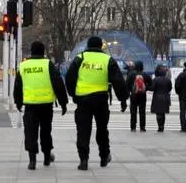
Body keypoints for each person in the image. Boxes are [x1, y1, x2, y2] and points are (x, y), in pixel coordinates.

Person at [65, 36, 128, 171]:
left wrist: (73, 95)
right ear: (101, 46)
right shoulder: (107, 60)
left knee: (83, 130)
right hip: (101, 100)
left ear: (88, 45)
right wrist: (123, 99)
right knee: (102, 129)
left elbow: (69, 77)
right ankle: (104, 156)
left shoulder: (80, 58)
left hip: (83, 100)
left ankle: (83, 159)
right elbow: (118, 80)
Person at [13, 41, 68, 170]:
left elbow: (18, 86)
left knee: (30, 132)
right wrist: (63, 102)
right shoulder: (47, 64)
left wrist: (18, 102)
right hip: (46, 105)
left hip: (30, 105)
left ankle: (32, 161)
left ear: (31, 51)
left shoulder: (23, 66)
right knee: (45, 132)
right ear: (43, 51)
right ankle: (47, 157)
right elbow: (58, 83)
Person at [126, 61, 152, 132]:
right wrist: (145, 88)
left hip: (134, 95)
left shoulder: (131, 74)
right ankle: (142, 127)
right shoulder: (145, 75)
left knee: (133, 112)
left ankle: (133, 127)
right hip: (143, 95)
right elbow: (151, 85)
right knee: (142, 112)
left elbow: (127, 85)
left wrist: (131, 90)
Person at [150, 65, 172, 132]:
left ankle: (160, 127)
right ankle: (162, 126)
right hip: (165, 97)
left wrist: (147, 86)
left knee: (158, 113)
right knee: (163, 113)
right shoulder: (168, 80)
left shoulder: (155, 79)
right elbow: (170, 88)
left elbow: (152, 88)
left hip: (157, 97)